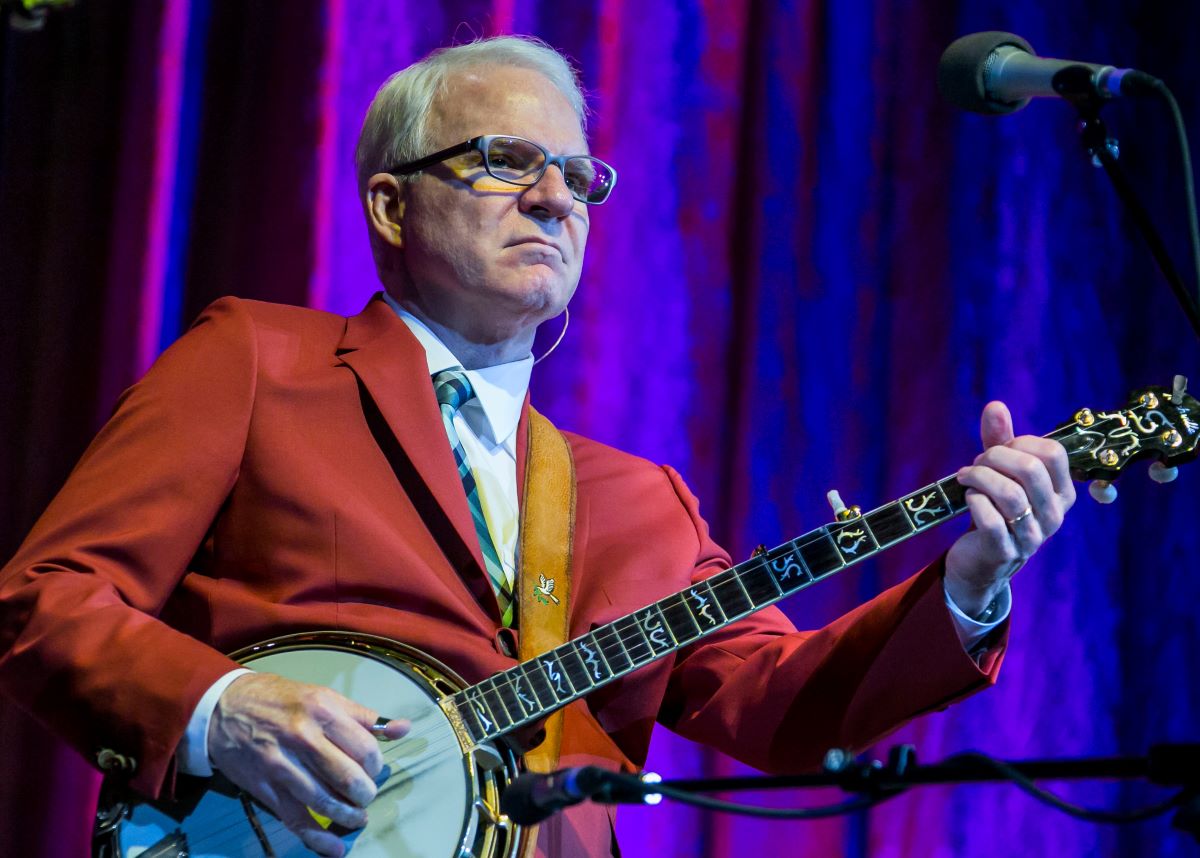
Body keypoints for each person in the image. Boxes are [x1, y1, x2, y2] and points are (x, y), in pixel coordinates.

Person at [0, 35, 1075, 858]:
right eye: (506, 161)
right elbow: (47, 598)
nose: (557, 197)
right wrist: (218, 712)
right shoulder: (259, 361)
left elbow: (784, 709)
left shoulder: (639, 498)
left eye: (577, 174)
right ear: (390, 202)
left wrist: (970, 585)